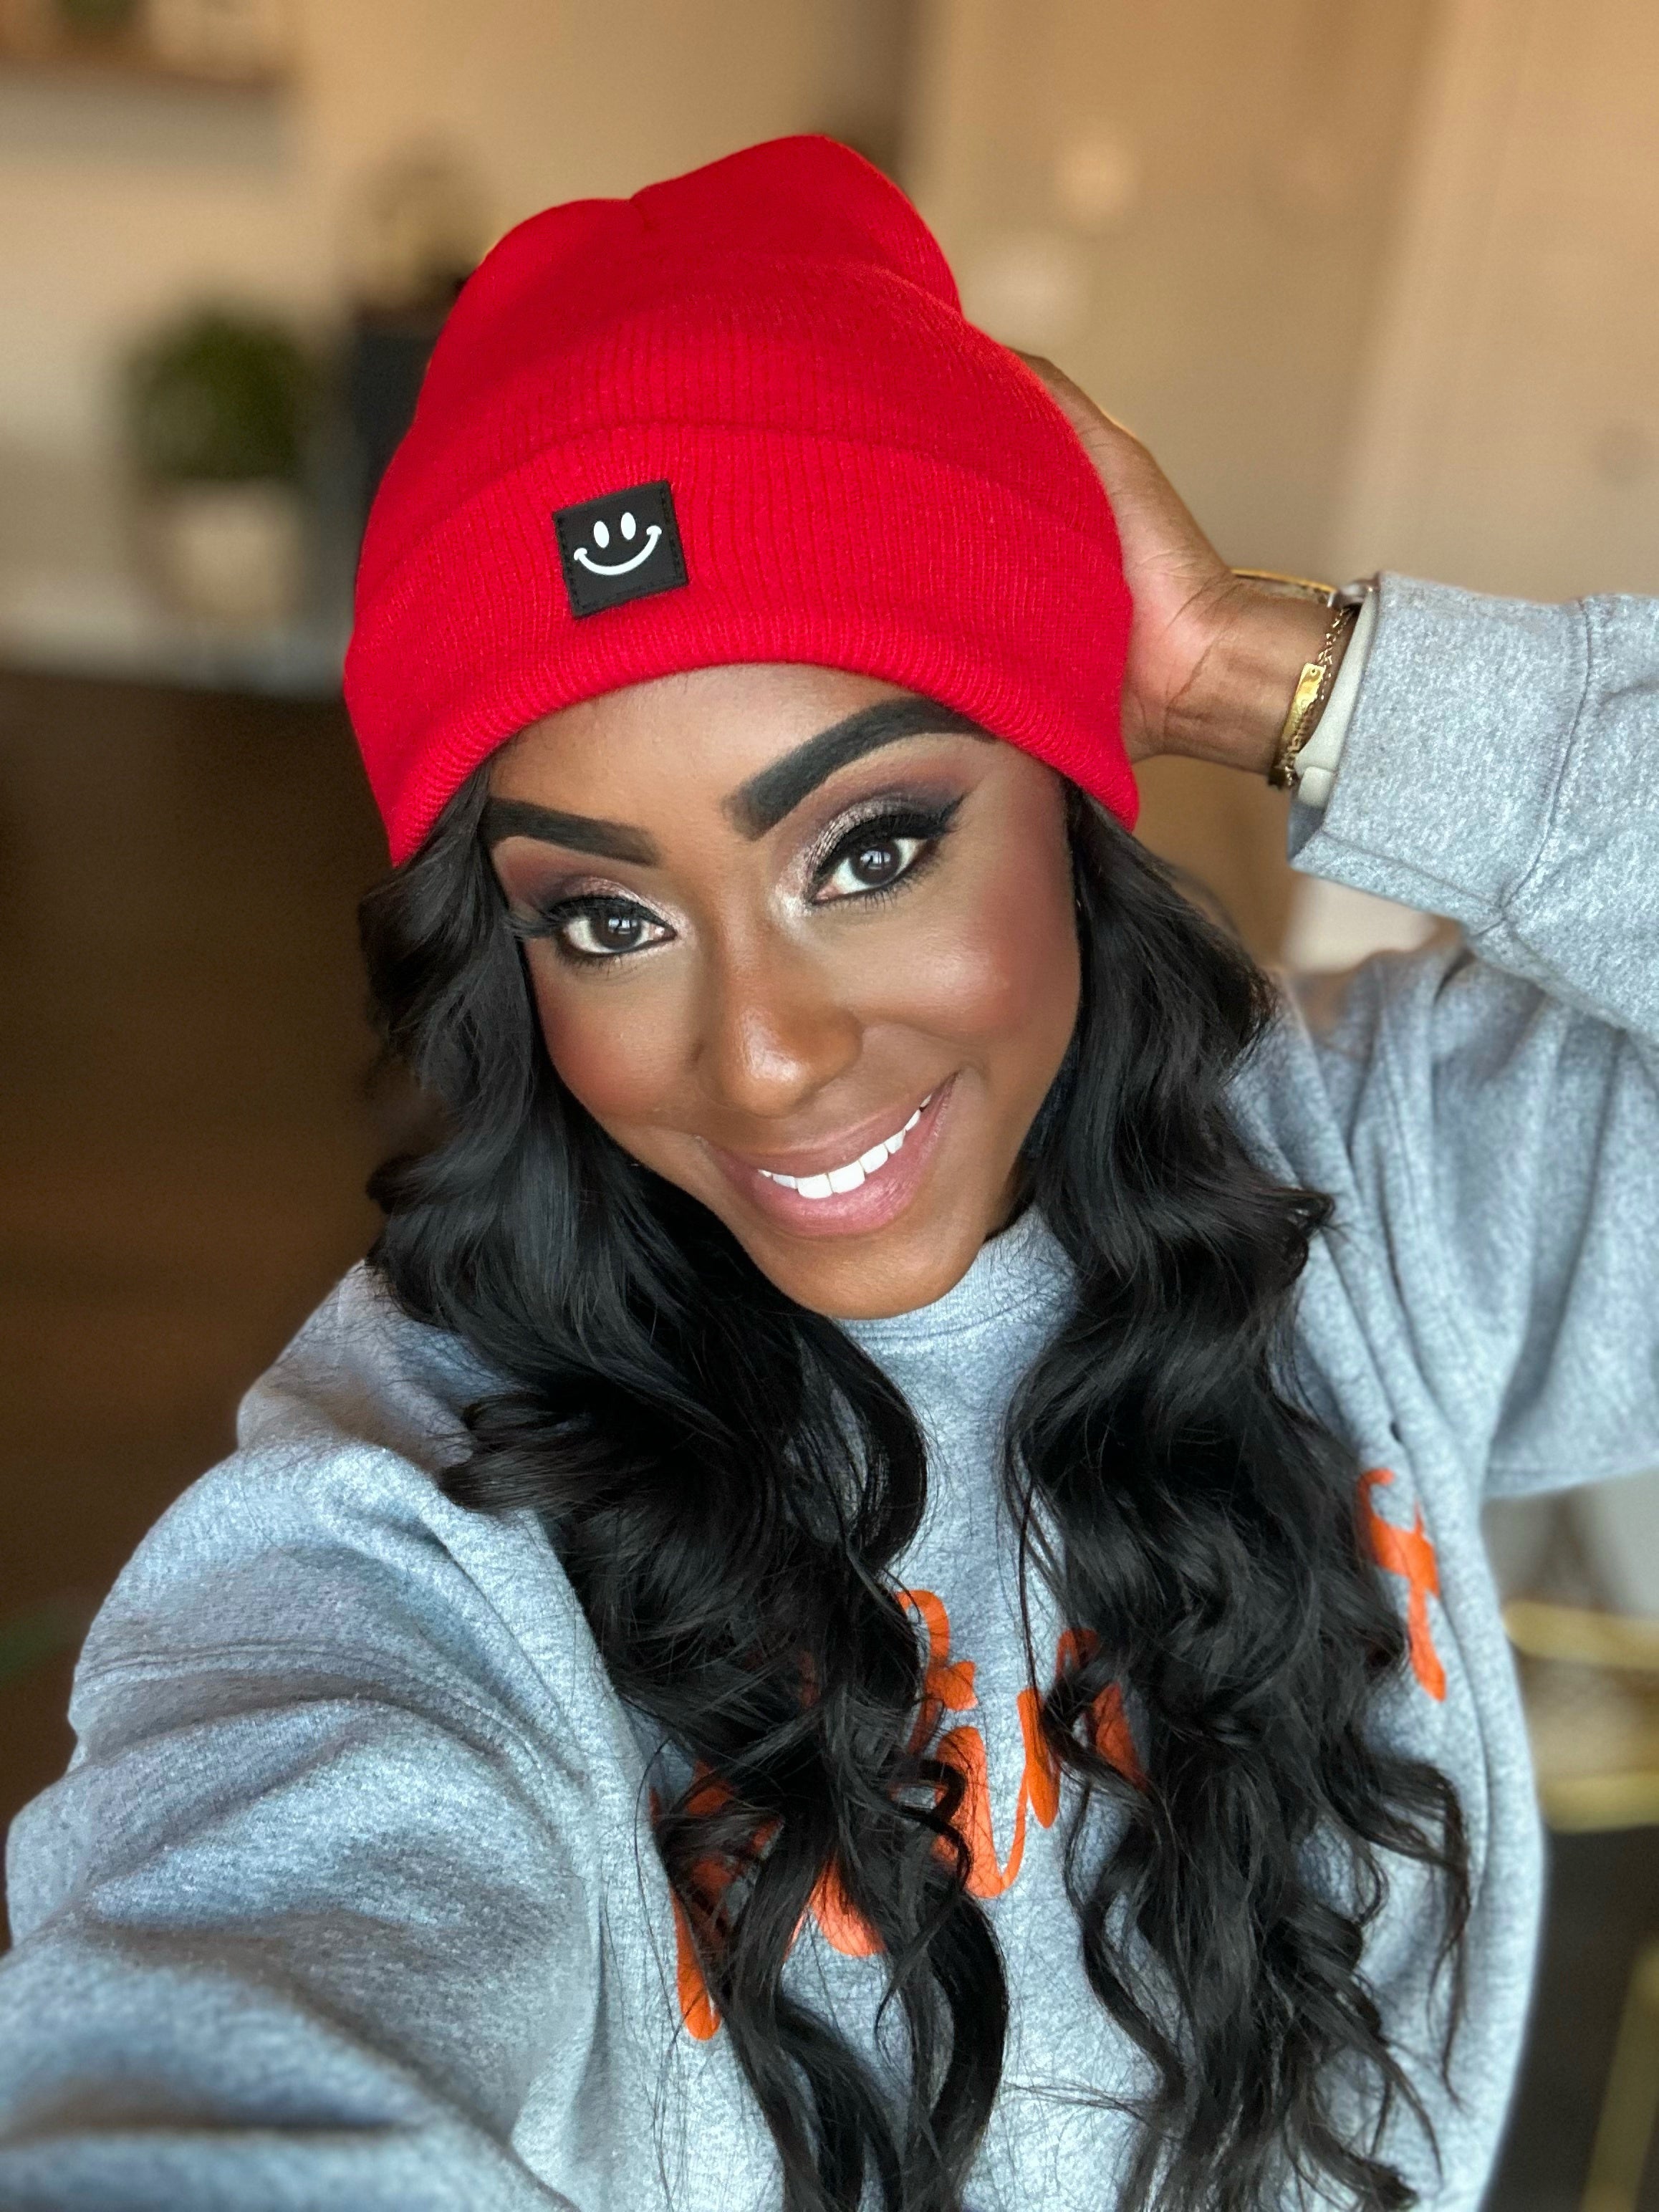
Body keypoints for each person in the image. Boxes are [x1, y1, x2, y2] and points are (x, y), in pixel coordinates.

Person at [1, 134, 1655, 2212]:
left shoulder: (1382, 1190)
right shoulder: (407, 1527)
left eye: (870, 850)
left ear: (1067, 795)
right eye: (606, 918)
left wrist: (1262, 666)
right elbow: (251, 1965)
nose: (766, 1056)